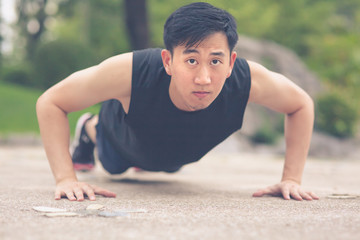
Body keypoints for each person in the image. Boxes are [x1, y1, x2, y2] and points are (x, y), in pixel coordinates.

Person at [36, 2, 319, 202]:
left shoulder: (247, 80)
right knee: (114, 166)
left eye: (216, 61)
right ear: (168, 61)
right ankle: (90, 129)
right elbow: (51, 101)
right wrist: (65, 179)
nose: (204, 78)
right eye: (192, 60)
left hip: (176, 152)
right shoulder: (131, 72)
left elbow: (300, 104)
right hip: (123, 136)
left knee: (169, 167)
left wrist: (291, 179)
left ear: (231, 62)